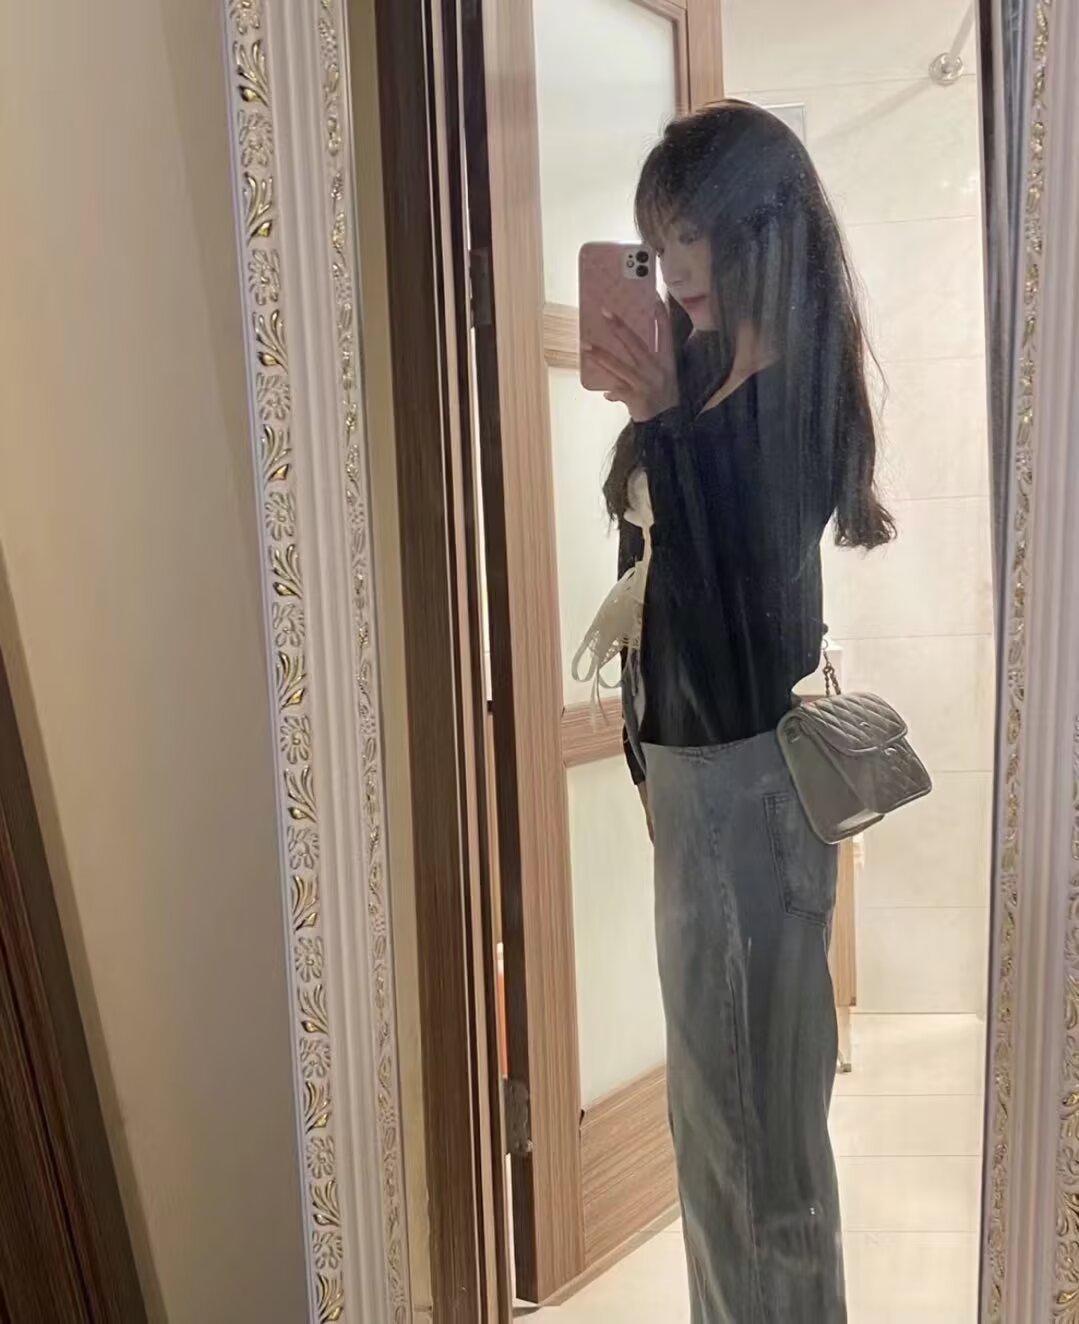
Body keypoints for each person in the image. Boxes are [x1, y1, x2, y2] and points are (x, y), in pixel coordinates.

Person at [577, 101, 895, 1323]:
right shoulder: (708, 371)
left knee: (760, 1160)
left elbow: (740, 626)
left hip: (749, 788)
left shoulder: (796, 394)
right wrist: (654, 410)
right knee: (716, 1140)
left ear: (756, 225)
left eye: (686, 232)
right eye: (656, 237)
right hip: (697, 790)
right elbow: (663, 579)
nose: (669, 265)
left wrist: (664, 419)